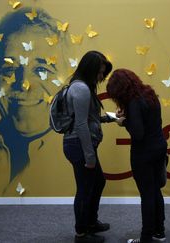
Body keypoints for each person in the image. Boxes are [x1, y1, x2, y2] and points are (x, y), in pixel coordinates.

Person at [0, 7, 72, 190]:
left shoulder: (72, 152)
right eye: (8, 69)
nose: (24, 83)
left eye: (41, 70)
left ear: (67, 82)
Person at [106, 69, 168, 243]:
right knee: (156, 191)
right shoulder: (149, 94)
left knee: (147, 195)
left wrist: (123, 122)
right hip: (159, 147)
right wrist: (127, 116)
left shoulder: (133, 102)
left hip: (143, 153)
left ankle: (146, 237)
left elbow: (138, 133)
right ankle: (159, 232)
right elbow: (147, 121)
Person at [63, 50, 113, 243]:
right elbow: (81, 125)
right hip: (79, 145)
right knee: (85, 188)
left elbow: (88, 119)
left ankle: (91, 222)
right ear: (90, 69)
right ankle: (81, 233)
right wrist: (89, 157)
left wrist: (110, 118)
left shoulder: (81, 87)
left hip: (81, 144)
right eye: (100, 72)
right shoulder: (81, 89)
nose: (101, 77)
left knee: (98, 182)